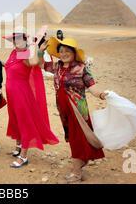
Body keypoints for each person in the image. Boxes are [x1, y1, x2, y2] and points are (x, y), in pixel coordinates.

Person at [41, 36, 108, 183]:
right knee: (73, 139)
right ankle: (81, 163)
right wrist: (41, 50)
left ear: (73, 52)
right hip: (64, 111)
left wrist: (102, 94)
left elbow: (91, 86)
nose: (64, 53)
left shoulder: (81, 68)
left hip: (78, 110)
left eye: (67, 51)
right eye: (61, 51)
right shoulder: (57, 66)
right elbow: (43, 65)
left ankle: (76, 172)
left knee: (78, 140)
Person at [3, 27, 59, 168]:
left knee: (24, 122)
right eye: (15, 39)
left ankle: (23, 156)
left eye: (20, 38)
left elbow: (34, 62)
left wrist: (39, 50)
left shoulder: (25, 54)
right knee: (15, 120)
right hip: (12, 95)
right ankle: (19, 147)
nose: (17, 41)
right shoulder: (14, 53)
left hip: (22, 94)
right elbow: (9, 66)